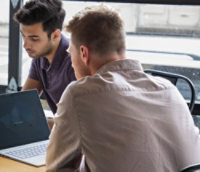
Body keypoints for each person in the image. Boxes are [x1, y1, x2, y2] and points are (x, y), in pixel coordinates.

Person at [46, 5, 200, 171]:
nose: (71, 62)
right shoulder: (168, 89)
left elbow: (55, 167)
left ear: (84, 53)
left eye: (71, 54)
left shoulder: (80, 94)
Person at [14, 0, 76, 115]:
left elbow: (77, 122)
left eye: (34, 39)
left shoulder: (74, 63)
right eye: (23, 36)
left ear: (55, 35)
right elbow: (23, 101)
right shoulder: (40, 56)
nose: (25, 45)